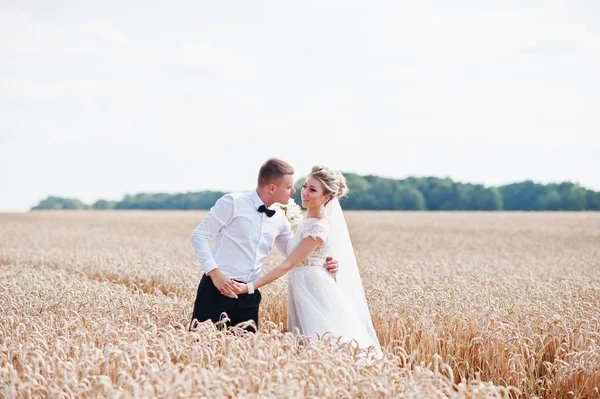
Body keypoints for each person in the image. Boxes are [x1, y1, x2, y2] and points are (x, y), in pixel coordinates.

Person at [233, 166, 382, 356]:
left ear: (326, 197)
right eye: (305, 186)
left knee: (323, 344)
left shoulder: (318, 228)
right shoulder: (307, 222)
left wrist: (249, 287)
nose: (304, 192)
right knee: (307, 348)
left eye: (313, 190)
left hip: (314, 291)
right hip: (302, 287)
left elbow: (287, 264)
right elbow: (292, 248)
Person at [190, 158, 339, 332]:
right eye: (289, 187)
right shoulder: (233, 202)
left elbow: (292, 251)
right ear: (272, 188)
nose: (294, 191)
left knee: (244, 356)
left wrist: (324, 261)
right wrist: (215, 275)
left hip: (249, 296)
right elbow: (199, 235)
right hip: (217, 289)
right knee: (203, 346)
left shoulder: (280, 217)